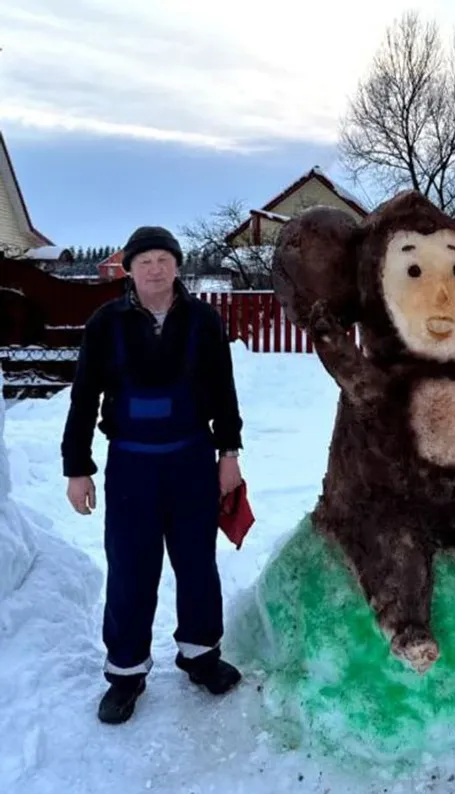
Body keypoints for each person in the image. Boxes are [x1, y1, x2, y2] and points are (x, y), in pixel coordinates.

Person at [61, 225, 245, 725]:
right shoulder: (106, 323)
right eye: (145, 261)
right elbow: (84, 398)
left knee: (196, 563)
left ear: (177, 266)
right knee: (130, 568)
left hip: (191, 459)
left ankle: (200, 654)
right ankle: (125, 672)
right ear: (130, 270)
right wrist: (77, 467)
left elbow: (223, 391)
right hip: (131, 464)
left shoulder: (204, 320)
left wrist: (229, 452)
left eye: (164, 259)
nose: (155, 269)